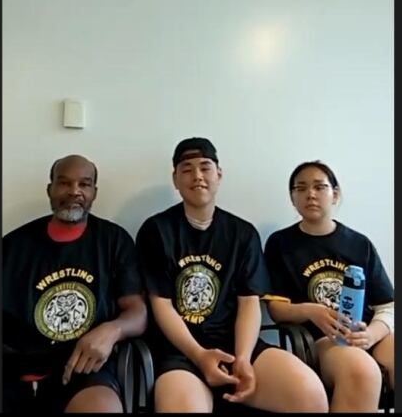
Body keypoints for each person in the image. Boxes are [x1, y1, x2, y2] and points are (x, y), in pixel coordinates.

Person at [136, 138, 328, 413]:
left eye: (205, 167)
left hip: (236, 345)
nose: (198, 176)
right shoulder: (156, 230)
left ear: (219, 175)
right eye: (187, 169)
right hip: (181, 352)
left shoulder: (242, 233)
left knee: (309, 397)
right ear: (175, 179)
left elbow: (249, 303)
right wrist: (200, 356)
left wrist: (243, 359)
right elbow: (161, 305)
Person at [2, 155, 147, 413]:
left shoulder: (114, 242)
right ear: (50, 189)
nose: (74, 191)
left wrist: (112, 330)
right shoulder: (13, 246)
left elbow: (138, 312)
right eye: (64, 183)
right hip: (14, 371)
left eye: (84, 184)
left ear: (94, 192)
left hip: (84, 371)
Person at [263, 160, 395, 412]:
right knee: (361, 371)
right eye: (300, 188)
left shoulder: (359, 243)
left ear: (335, 194)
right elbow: (277, 310)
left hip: (367, 332)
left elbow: (387, 304)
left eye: (319, 187)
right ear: (292, 198)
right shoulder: (280, 244)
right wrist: (311, 311)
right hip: (323, 340)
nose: (310, 194)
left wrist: (372, 334)